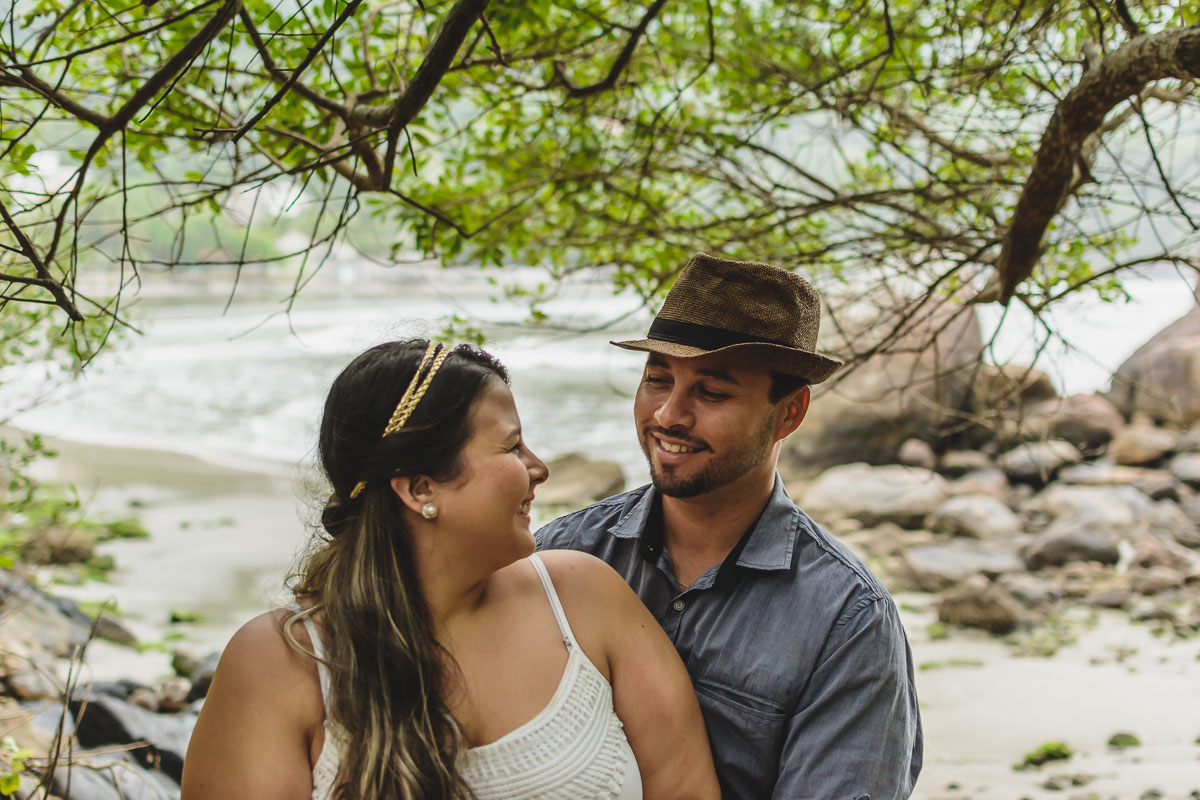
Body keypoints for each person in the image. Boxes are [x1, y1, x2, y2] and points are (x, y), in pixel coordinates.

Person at [181, 339, 720, 800]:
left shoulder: (586, 599)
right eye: (512, 446)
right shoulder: (284, 663)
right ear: (420, 488)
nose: (539, 468)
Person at [537, 253, 923, 799]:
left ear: (789, 413)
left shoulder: (847, 619)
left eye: (712, 392)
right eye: (657, 379)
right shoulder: (562, 554)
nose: (669, 414)